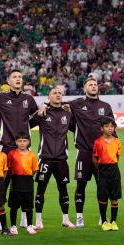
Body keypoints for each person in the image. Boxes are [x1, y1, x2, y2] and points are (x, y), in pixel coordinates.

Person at [0, 69, 38, 230]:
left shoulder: (28, 99)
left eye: (20, 77)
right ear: (8, 81)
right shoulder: (1, 97)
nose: (18, 79)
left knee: (23, 185)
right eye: (14, 77)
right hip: (6, 148)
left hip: (23, 149)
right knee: (2, 185)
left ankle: (24, 220)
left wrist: (25, 130)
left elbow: (35, 118)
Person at [68, 78, 115, 227]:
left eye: (95, 84)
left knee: (103, 186)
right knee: (81, 184)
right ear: (84, 88)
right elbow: (60, 108)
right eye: (90, 85)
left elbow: (112, 131)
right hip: (83, 152)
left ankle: (103, 217)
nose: (93, 86)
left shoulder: (105, 106)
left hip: (102, 155)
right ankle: (79, 217)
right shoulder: (77, 104)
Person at [30, 87, 76, 229]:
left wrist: (70, 109)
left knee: (63, 189)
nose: (57, 95)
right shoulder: (44, 112)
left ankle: (66, 219)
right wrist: (40, 110)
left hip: (62, 159)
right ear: (48, 97)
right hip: (45, 158)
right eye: (54, 93)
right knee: (41, 190)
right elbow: (28, 124)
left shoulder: (67, 113)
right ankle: (38, 220)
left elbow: (76, 129)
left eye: (59, 93)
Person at [92, 117, 121, 231]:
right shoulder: (98, 142)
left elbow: (117, 157)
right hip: (103, 171)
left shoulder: (117, 141)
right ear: (102, 128)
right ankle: (104, 221)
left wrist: (111, 166)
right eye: (107, 126)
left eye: (112, 126)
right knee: (103, 198)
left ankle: (113, 222)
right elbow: (95, 159)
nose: (110, 128)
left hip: (114, 171)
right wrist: (101, 169)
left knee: (114, 198)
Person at [7, 132, 38, 235]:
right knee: (14, 206)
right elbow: (9, 168)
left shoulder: (32, 155)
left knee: (28, 205)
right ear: (16, 142)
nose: (22, 143)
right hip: (15, 181)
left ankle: (29, 226)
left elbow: (34, 170)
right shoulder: (12, 154)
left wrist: (27, 176)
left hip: (28, 182)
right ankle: (13, 226)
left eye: (24, 141)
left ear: (28, 142)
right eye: (19, 141)